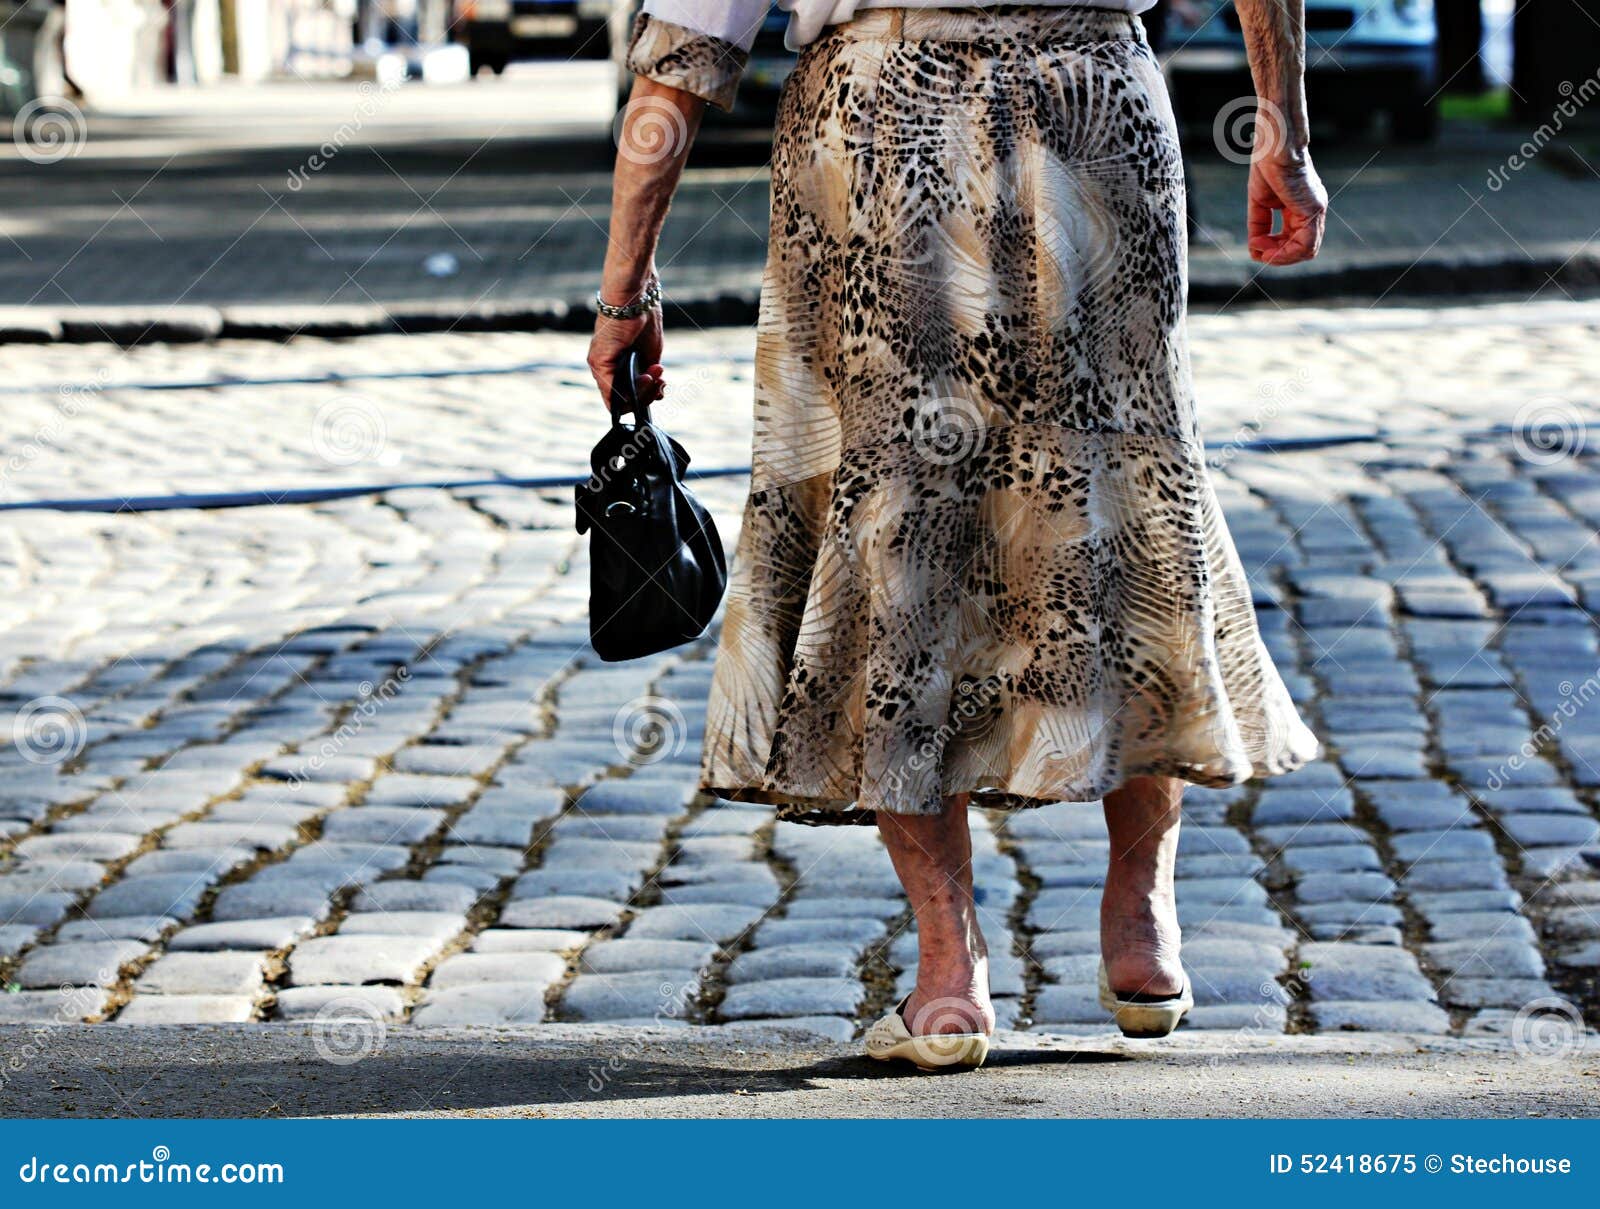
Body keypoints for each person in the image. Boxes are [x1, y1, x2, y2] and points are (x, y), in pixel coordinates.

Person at [588, 0, 1326, 1071]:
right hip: (1094, 109)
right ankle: (1142, 925)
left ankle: (949, 974)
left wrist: (624, 291)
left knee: (896, 536)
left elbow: (681, 63)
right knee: (1119, 499)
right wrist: (1283, 140)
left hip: (884, 133)